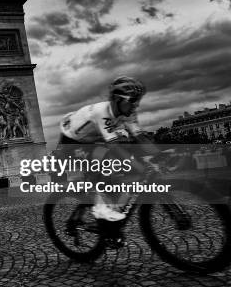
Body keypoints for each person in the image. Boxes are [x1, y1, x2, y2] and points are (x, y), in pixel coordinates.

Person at [58, 76, 162, 246]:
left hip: (93, 140)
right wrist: (141, 167)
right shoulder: (102, 112)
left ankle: (104, 213)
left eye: (138, 101)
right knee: (105, 170)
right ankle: (101, 217)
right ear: (117, 100)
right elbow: (114, 148)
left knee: (115, 170)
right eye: (133, 101)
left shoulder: (128, 111)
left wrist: (159, 155)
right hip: (72, 142)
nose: (137, 105)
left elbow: (139, 136)